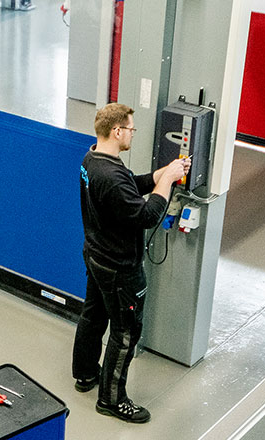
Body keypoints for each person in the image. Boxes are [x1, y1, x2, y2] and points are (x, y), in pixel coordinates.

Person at [71, 103, 188, 424]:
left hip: (96, 255)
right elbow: (146, 215)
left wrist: (161, 175)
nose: (133, 134)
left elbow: (127, 188)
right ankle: (112, 399)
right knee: (125, 333)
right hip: (119, 268)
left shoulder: (93, 159)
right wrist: (167, 183)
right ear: (117, 131)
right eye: (131, 129)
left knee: (93, 315)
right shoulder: (110, 174)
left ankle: (85, 373)